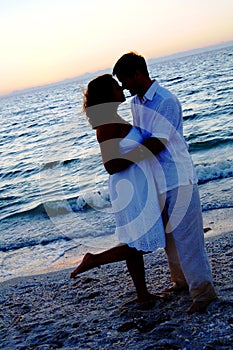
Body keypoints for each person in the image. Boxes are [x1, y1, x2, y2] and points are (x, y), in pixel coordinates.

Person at [112, 52, 218, 314]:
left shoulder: (165, 100)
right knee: (171, 239)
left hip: (178, 177)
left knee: (188, 238)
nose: (124, 87)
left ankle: (203, 293)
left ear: (138, 73)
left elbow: (157, 143)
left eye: (125, 80)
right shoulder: (137, 103)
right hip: (157, 180)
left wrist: (121, 160)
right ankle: (182, 282)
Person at [70, 74, 167, 304]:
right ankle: (94, 259)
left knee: (135, 241)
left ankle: (142, 295)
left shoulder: (114, 118)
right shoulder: (106, 125)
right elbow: (111, 165)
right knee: (138, 243)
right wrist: (146, 149)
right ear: (107, 94)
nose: (121, 87)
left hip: (136, 184)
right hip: (128, 188)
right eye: (116, 86)